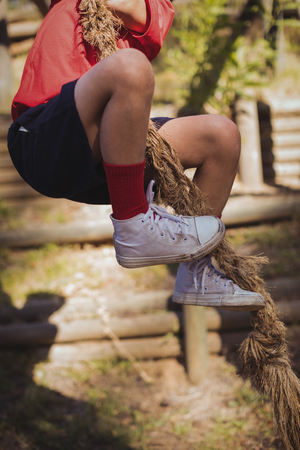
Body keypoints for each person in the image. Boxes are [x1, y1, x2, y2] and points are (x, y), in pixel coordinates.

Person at [7, 0, 265, 311]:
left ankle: (197, 273)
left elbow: (141, 14)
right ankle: (132, 220)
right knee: (129, 67)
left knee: (221, 136)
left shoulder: (152, 8)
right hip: (42, 141)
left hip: (106, 153)